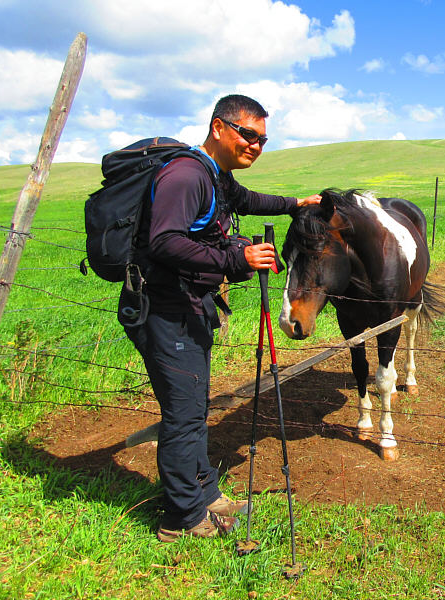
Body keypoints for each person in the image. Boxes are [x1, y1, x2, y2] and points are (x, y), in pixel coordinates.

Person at [123, 94, 321, 542]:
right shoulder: (187, 176)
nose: (256, 145)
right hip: (165, 309)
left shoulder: (218, 176)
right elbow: (163, 242)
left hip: (190, 305)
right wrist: (237, 259)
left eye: (263, 140)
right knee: (183, 414)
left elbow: (247, 199)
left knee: (193, 408)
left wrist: (293, 203)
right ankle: (180, 518)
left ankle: (203, 494)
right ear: (219, 127)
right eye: (248, 134)